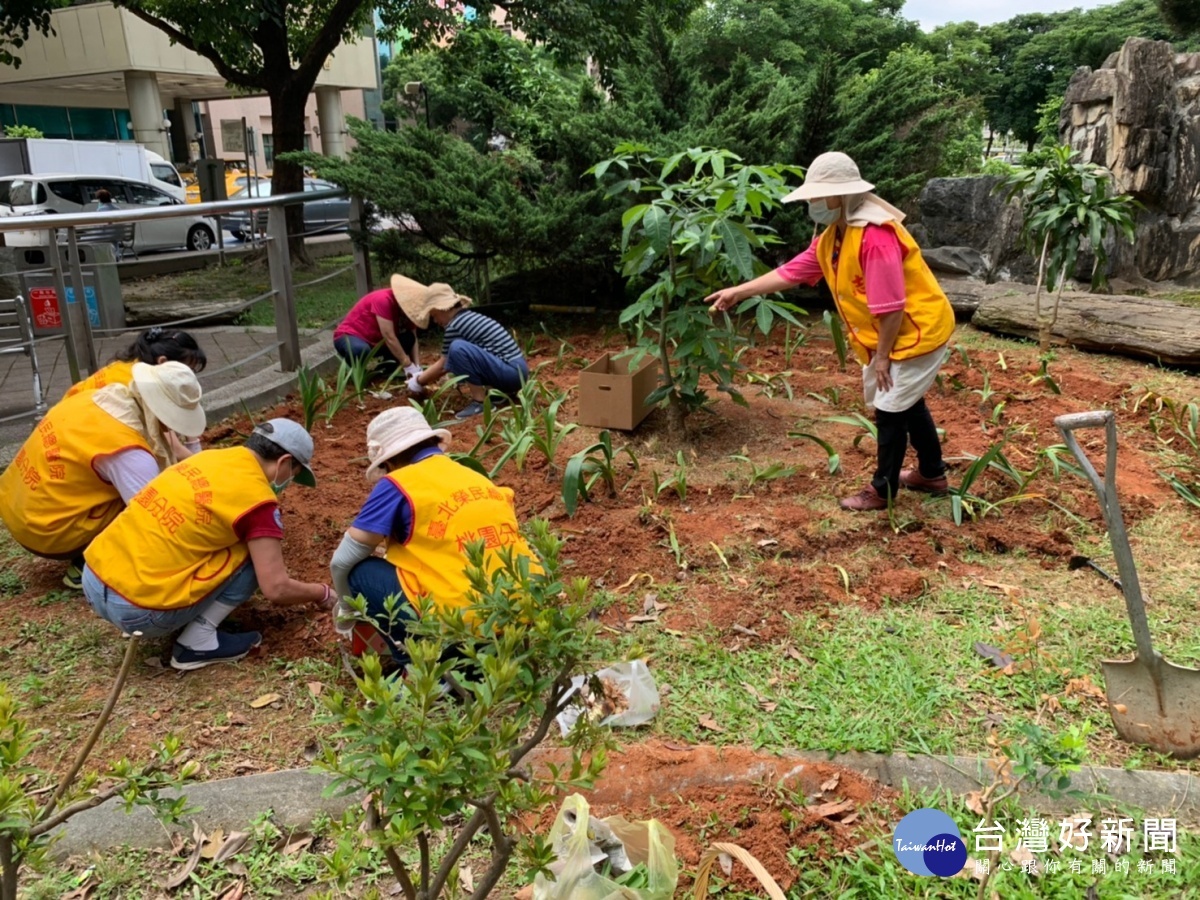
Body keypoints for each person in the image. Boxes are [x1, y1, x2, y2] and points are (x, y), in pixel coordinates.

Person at [706, 151, 956, 511]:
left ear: (842, 196)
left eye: (817, 195)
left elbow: (891, 307)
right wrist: (738, 291)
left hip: (917, 332)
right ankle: (932, 474)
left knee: (889, 409)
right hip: (896, 333)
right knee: (907, 402)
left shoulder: (875, 236)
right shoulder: (833, 236)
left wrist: (883, 358)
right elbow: (793, 271)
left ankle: (882, 491)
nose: (812, 203)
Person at [81, 419, 336, 671]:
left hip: (93, 579)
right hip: (138, 611)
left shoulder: (206, 459)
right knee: (251, 553)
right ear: (283, 463)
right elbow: (276, 588)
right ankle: (197, 642)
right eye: (294, 473)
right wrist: (321, 593)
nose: (291, 480)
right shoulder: (257, 503)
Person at [329, 407, 540, 662]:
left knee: (358, 572)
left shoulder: (398, 482)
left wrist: (348, 610)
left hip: (459, 626)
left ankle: (421, 668)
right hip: (521, 614)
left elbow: (341, 561)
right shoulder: (476, 477)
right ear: (434, 443)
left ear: (388, 462)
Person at [0, 362, 206, 588]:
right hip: (46, 531)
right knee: (153, 502)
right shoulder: (130, 453)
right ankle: (92, 566)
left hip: (16, 504)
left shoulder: (99, 397)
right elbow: (152, 521)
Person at [398, 278, 529, 419]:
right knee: (465, 353)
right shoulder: (469, 317)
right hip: (518, 372)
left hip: (511, 373)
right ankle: (500, 394)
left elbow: (443, 365)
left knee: (457, 348)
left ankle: (479, 403)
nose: (435, 321)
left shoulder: (455, 325)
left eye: (434, 315)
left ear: (444, 308)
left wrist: (418, 382)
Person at [65, 327, 207, 399]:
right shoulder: (140, 386)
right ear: (163, 361)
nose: (188, 377)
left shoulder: (131, 366)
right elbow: (167, 443)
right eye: (187, 370)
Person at [332, 277, 422, 378]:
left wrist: (417, 366)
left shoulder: (409, 307)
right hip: (351, 336)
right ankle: (358, 373)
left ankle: (381, 371)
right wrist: (407, 364)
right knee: (359, 350)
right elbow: (389, 337)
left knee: (409, 338)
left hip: (376, 343)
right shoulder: (383, 299)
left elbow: (414, 337)